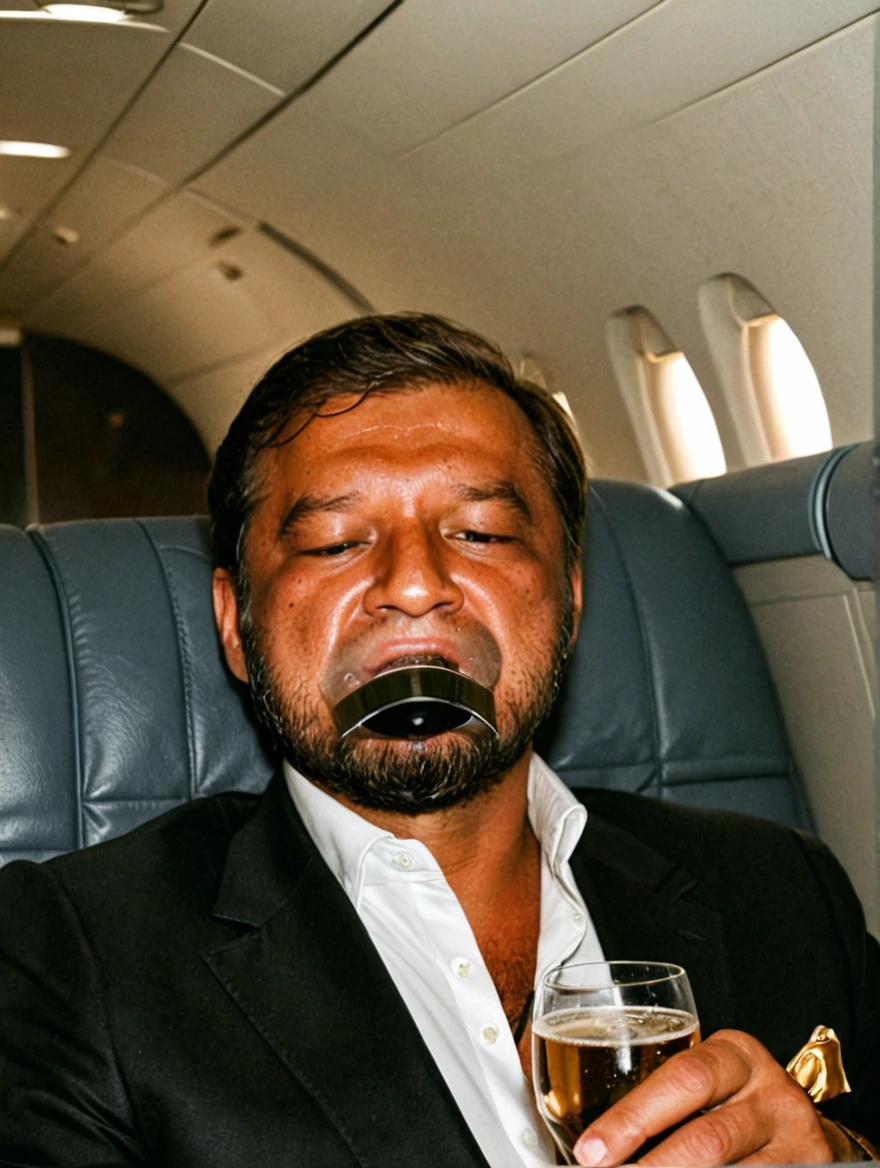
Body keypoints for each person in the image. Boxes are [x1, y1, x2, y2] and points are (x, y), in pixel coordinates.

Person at [0, 312, 877, 1167]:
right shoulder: (66, 957)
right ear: (237, 624)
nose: (415, 584)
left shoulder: (786, 892)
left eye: (481, 533)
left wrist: (843, 1156)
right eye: (337, 542)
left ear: (568, 600)